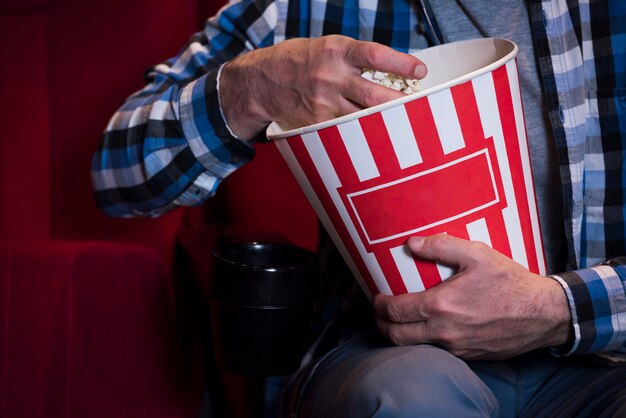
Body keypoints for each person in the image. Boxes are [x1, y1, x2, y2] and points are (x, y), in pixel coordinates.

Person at [92, 0, 626, 416]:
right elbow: (117, 176)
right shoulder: (302, 7)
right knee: (411, 398)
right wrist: (249, 89)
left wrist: (557, 309)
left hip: (601, 359)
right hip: (387, 354)